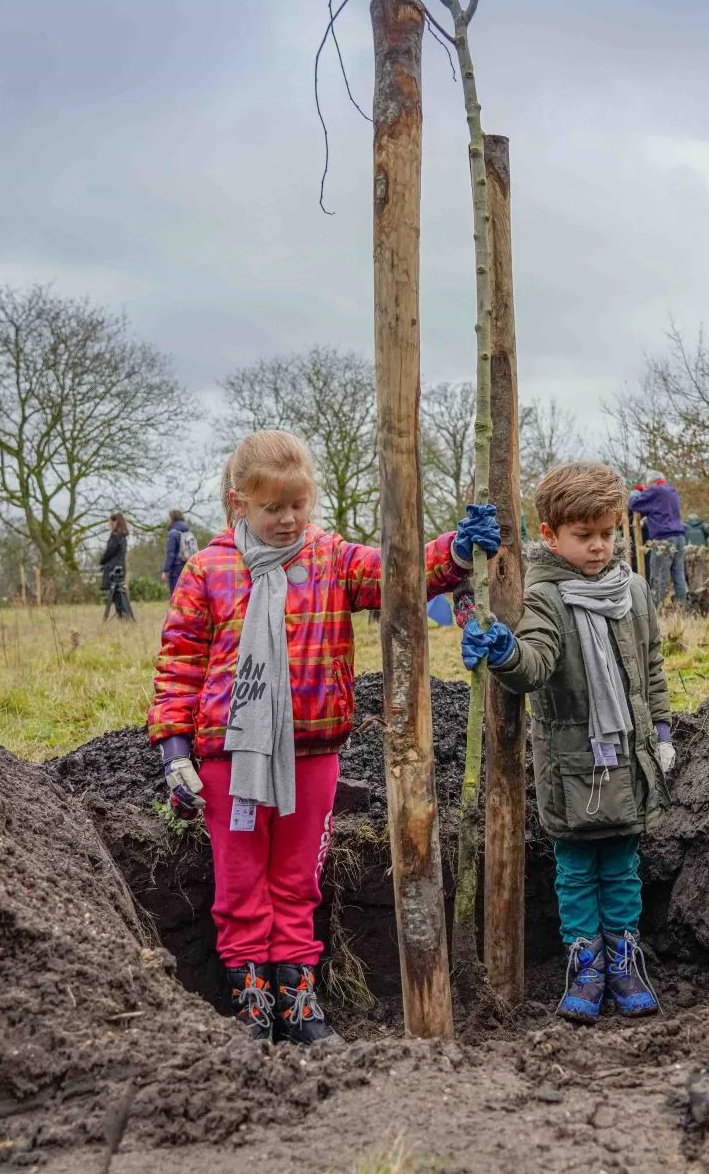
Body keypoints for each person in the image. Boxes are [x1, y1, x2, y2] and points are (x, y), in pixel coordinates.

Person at [148, 430, 501, 1044]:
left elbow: (400, 573)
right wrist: (174, 750)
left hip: (313, 752)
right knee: (239, 881)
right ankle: (252, 1004)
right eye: (272, 508)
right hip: (231, 756)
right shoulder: (208, 570)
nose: (288, 520)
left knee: (297, 879)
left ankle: (299, 999)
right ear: (239, 505)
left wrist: (458, 551)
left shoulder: (330, 558)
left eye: (298, 506)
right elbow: (179, 662)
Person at [461, 461, 673, 1026]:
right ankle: (587, 964)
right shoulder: (546, 598)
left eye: (608, 533)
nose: (600, 547)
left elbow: (651, 665)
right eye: (585, 537)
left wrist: (661, 728)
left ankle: (624, 960)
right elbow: (535, 664)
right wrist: (504, 652)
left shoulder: (633, 592)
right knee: (577, 865)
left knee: (624, 863)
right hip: (572, 761)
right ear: (551, 536)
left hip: (629, 755)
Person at [628, 470, 687, 610]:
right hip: (679, 537)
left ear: (652, 483)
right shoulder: (671, 490)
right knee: (679, 573)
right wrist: (646, 492)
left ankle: (655, 609)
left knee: (659, 575)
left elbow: (633, 504)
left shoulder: (655, 490)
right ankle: (681, 606)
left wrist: (636, 493)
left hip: (663, 539)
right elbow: (659, 508)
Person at [100, 512, 134, 622]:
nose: (109, 524)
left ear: (115, 522)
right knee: (120, 593)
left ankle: (122, 614)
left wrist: (102, 561)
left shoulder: (115, 536)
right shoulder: (123, 536)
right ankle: (123, 614)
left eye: (110, 522)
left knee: (115, 593)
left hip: (113, 567)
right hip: (121, 567)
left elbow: (109, 552)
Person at [164, 509, 197, 596]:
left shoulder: (173, 533)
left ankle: (176, 610)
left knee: (175, 595)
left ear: (172, 518)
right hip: (188, 566)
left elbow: (170, 554)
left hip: (175, 568)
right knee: (185, 595)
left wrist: (165, 570)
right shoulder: (188, 531)